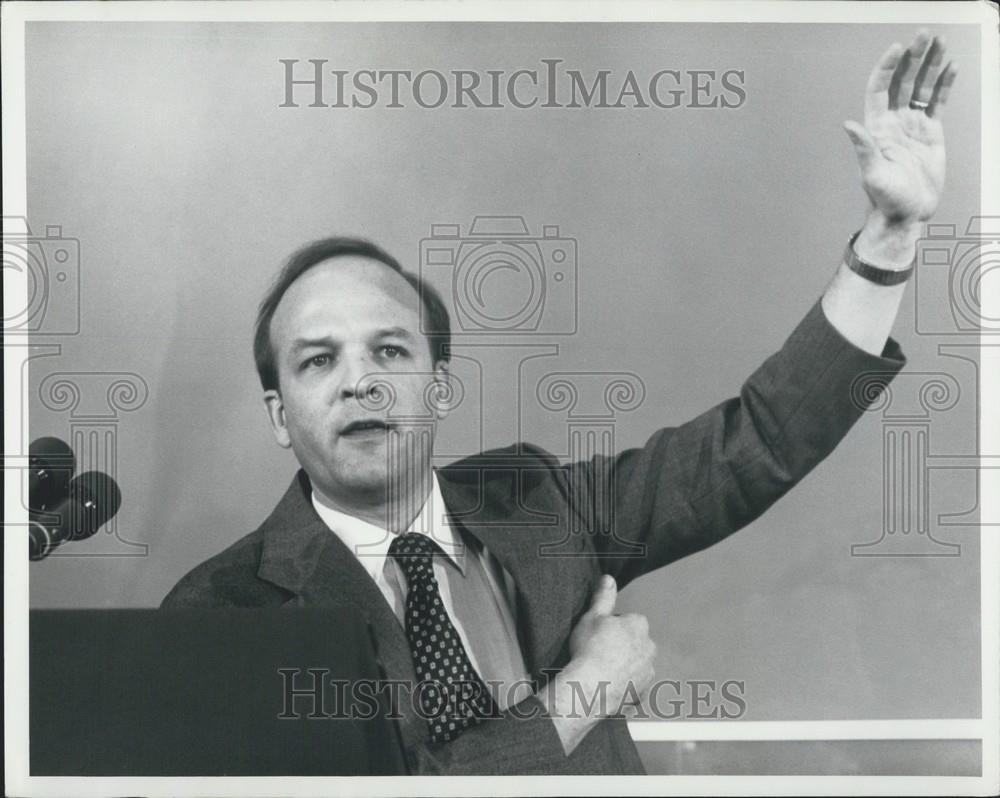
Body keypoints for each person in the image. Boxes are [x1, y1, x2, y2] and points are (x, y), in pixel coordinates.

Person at [162, 32, 957, 774]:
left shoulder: (539, 499)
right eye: (317, 360)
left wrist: (889, 235)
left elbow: (760, 440)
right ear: (277, 413)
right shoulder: (219, 611)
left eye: (390, 351)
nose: (359, 381)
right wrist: (583, 695)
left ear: (440, 386)